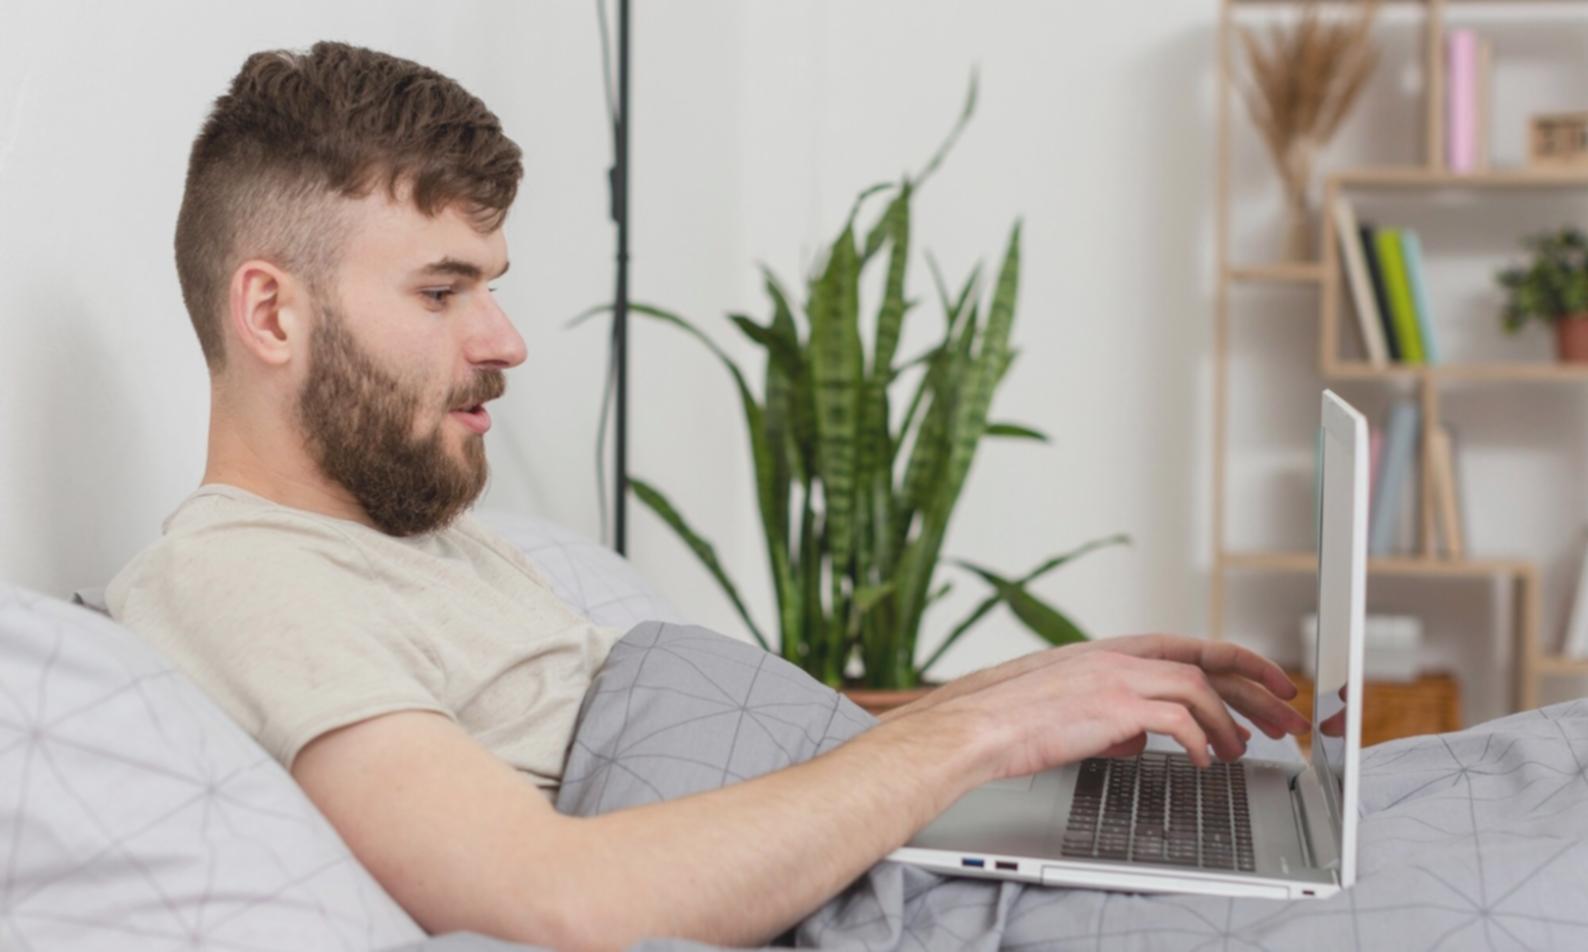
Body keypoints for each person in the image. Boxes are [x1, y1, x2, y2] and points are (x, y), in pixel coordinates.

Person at [106, 41, 1311, 952]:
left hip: (888, 846)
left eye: (494, 285)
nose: (507, 338)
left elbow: (730, 764)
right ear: (272, 312)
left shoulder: (412, 531)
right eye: (441, 291)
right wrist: (970, 739)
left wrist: (1035, 694)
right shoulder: (236, 574)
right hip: (901, 911)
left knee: (1412, 800)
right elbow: (556, 894)